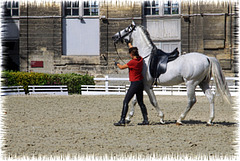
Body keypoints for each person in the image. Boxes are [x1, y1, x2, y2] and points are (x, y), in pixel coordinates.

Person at [114, 43, 149, 126]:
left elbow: (122, 67)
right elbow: (134, 51)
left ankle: (122, 120)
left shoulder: (132, 62)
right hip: (140, 83)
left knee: (126, 101)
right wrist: (129, 45)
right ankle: (146, 120)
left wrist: (117, 64)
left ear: (131, 54)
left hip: (134, 84)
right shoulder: (140, 59)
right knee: (141, 102)